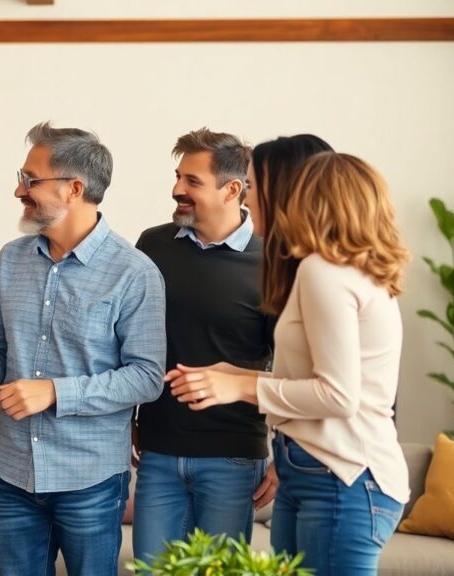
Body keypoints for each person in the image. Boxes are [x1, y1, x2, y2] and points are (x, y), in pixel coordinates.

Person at [169, 151, 410, 575]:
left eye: (258, 189)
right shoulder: (346, 270)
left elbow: (337, 396)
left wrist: (241, 388)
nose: (253, 197)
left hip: (343, 477)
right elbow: (317, 379)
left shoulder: (325, 272)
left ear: (306, 201)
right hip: (326, 472)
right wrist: (236, 374)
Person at [0, 122, 166, 575]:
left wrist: (54, 391)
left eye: (30, 180)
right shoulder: (11, 258)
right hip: (12, 473)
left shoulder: (135, 272)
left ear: (74, 188)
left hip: (89, 479)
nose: (18, 190)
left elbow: (147, 376)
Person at [132, 128, 275, 562]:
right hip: (156, 454)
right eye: (178, 177)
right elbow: (130, 340)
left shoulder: (273, 261)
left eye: (192, 181)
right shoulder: (152, 245)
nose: (177, 189)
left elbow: (293, 368)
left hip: (232, 458)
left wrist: (285, 456)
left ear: (233, 189)